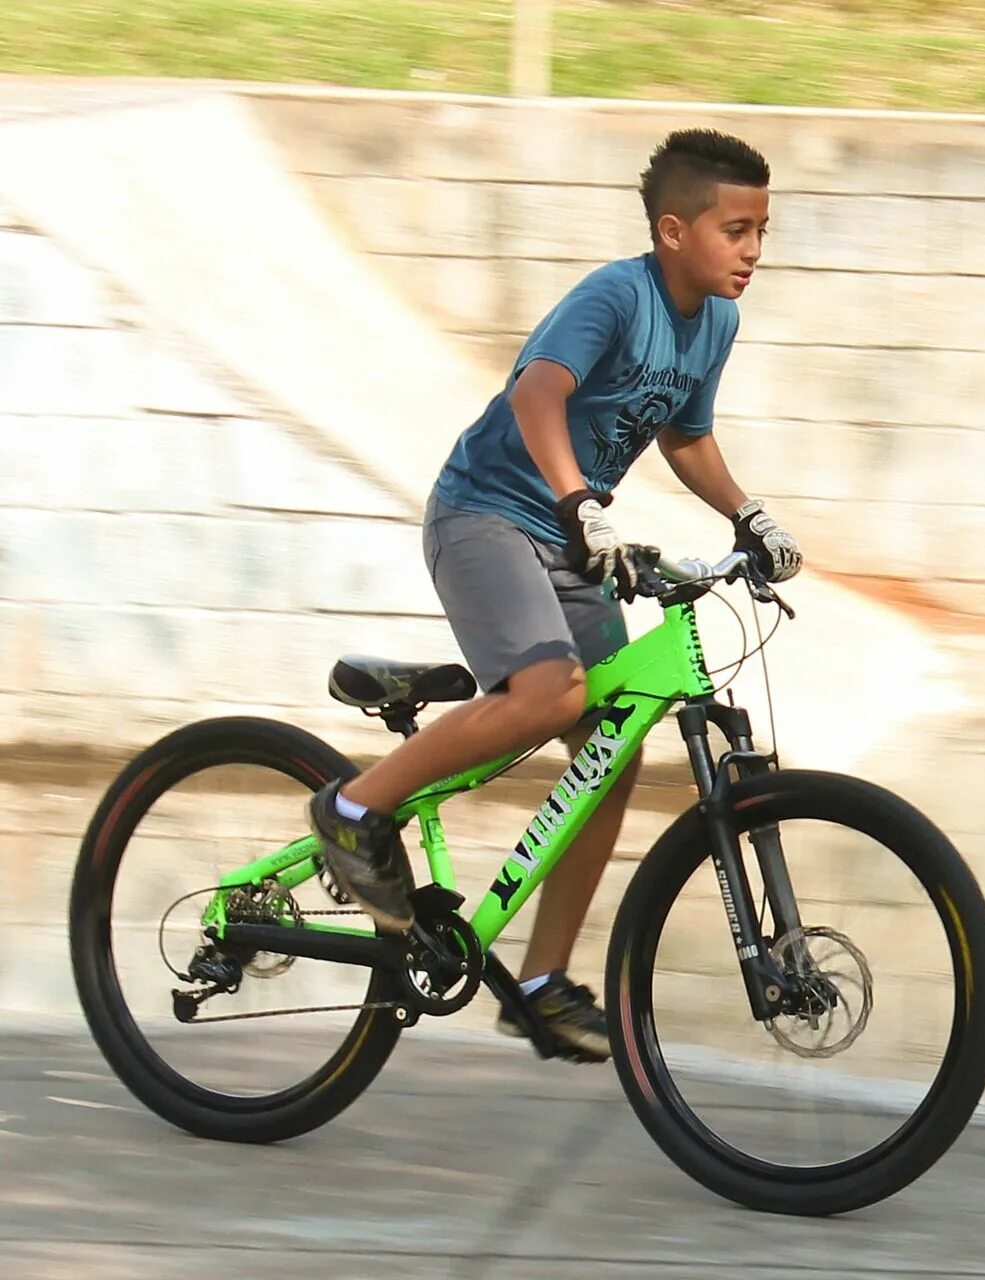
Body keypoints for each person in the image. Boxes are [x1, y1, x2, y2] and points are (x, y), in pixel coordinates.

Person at [308, 128, 803, 1062]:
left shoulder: (717, 325)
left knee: (610, 746)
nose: (752, 251)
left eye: (762, 232)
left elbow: (685, 437)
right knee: (553, 692)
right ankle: (353, 811)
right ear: (672, 230)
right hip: (487, 515)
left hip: (577, 538)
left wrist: (751, 515)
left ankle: (539, 982)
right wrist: (581, 499)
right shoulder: (617, 295)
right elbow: (539, 394)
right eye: (736, 229)